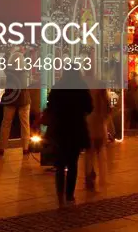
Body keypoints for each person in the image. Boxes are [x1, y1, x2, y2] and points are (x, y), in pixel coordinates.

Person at [43, 70, 92, 207]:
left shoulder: (57, 87)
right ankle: (69, 195)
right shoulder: (81, 88)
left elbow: (50, 106)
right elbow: (89, 108)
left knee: (60, 165)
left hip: (60, 130)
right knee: (72, 164)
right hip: (76, 130)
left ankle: (60, 195)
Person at [0, 64, 31, 156]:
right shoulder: (25, 71)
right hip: (24, 99)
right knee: (25, 125)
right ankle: (25, 148)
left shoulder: (8, 72)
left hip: (10, 99)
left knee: (6, 124)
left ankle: (1, 148)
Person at [85, 88, 111, 189]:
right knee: (100, 153)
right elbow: (108, 110)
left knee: (89, 154)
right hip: (99, 124)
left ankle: (89, 176)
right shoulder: (102, 92)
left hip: (89, 123)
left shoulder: (86, 88)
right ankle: (101, 178)